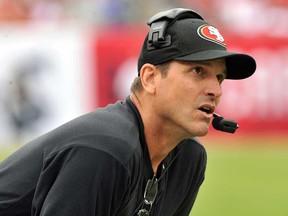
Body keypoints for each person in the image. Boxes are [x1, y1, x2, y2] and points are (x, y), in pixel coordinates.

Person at [0, 8, 256, 216]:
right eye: (198, 71)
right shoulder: (105, 151)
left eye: (220, 78)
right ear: (150, 78)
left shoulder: (189, 159)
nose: (215, 90)